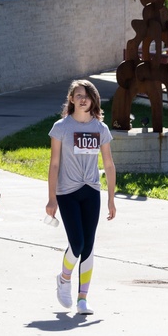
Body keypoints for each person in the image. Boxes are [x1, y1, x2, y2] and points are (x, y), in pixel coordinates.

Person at [47, 80, 117, 315]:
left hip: (91, 191)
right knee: (76, 243)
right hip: (67, 192)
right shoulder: (61, 127)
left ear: (93, 99)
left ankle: (83, 299)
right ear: (71, 99)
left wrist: (111, 198)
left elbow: (109, 164)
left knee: (88, 246)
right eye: (78, 95)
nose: (83, 99)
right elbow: (54, 164)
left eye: (87, 95)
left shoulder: (100, 129)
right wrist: (51, 199)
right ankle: (64, 278)